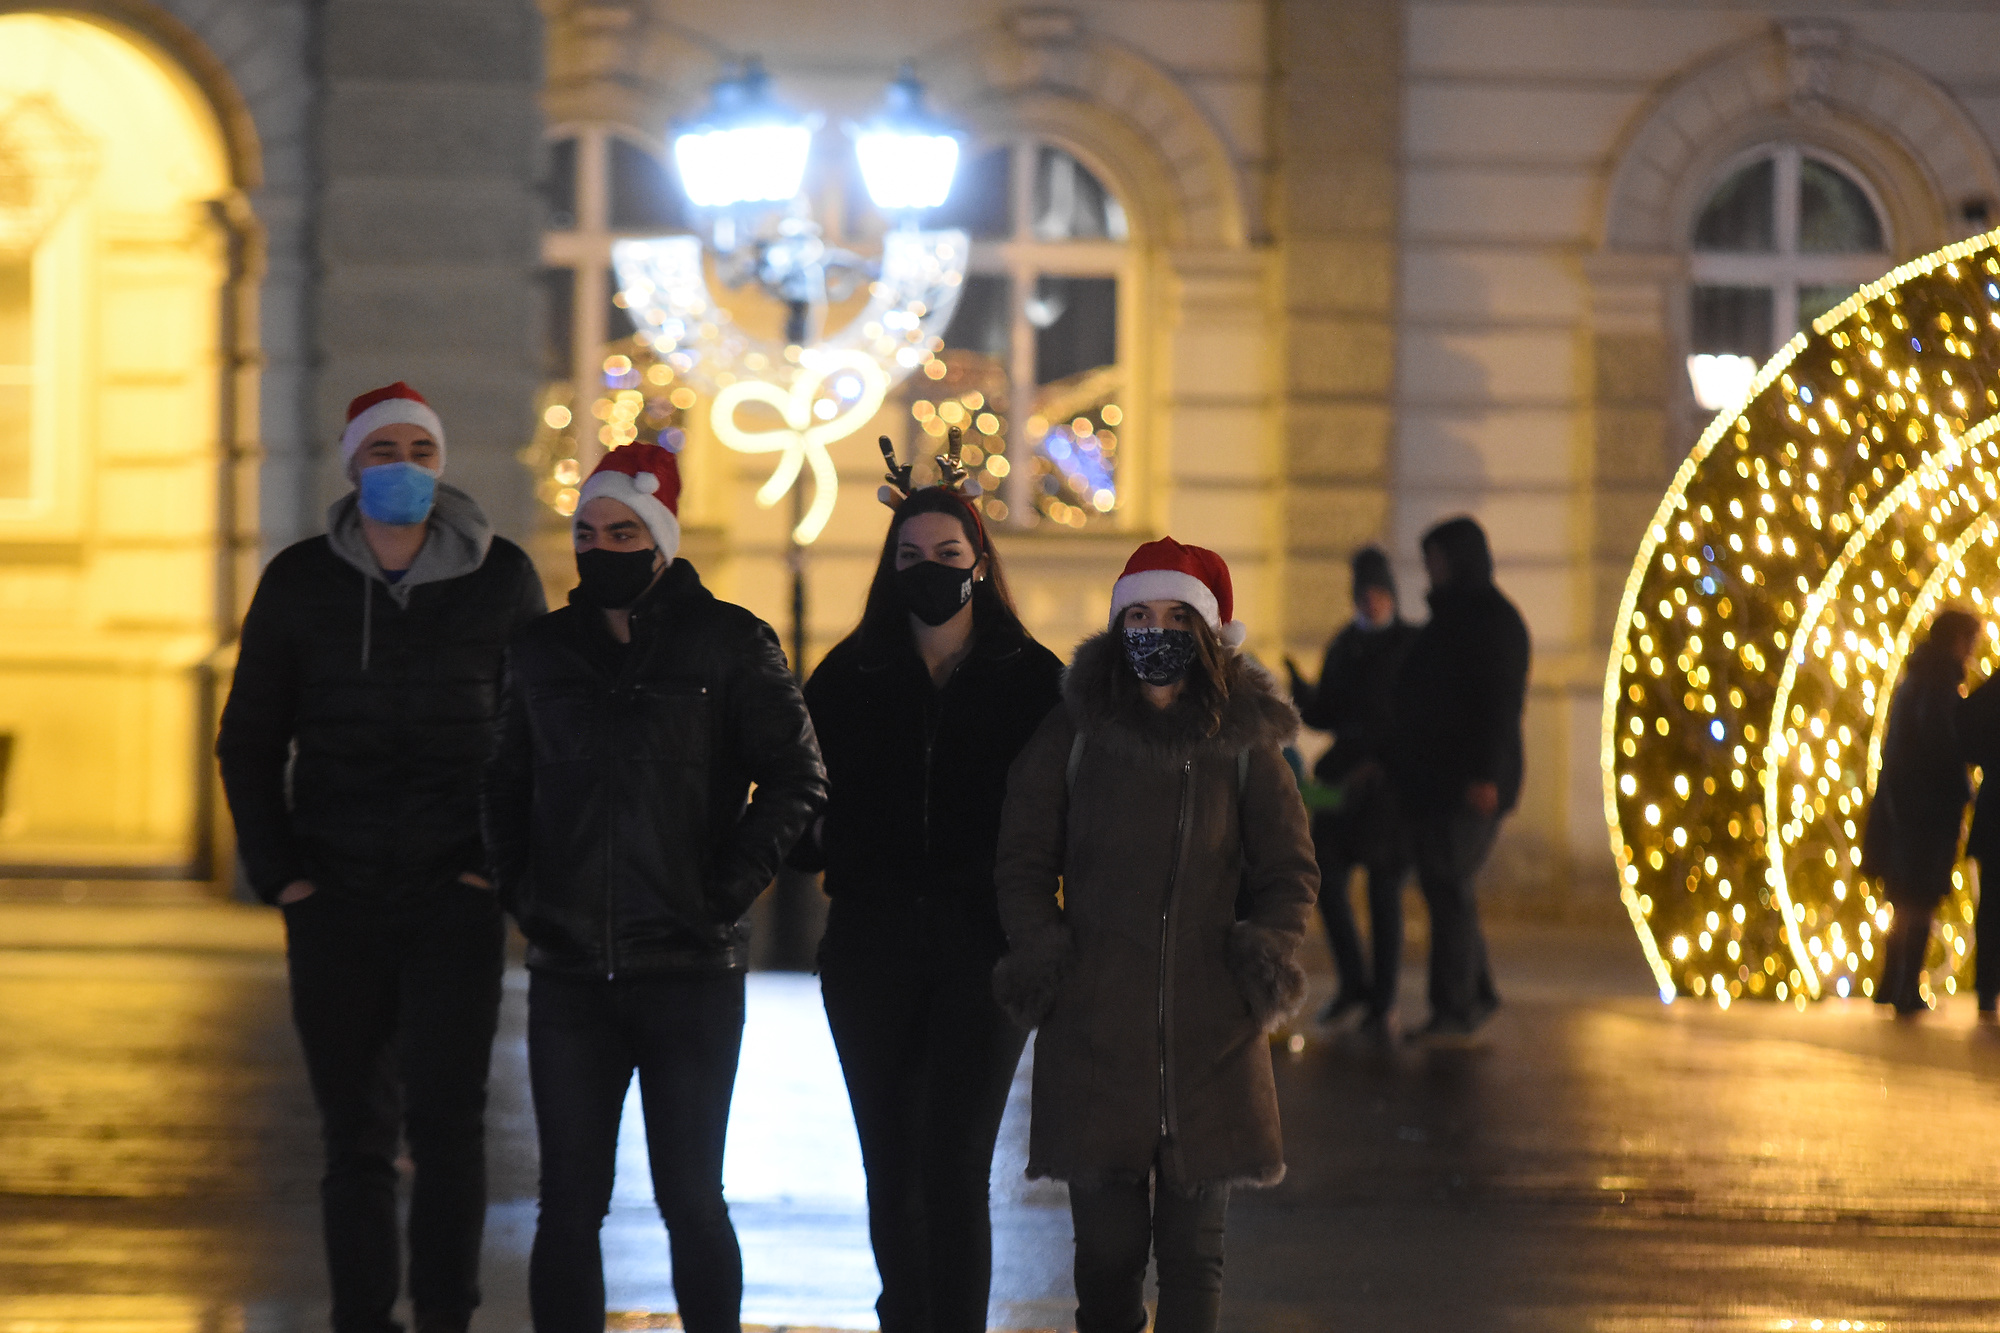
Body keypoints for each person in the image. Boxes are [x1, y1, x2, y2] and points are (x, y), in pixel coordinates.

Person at [216, 382, 547, 1333]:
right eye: (383, 451)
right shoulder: (301, 580)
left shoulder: (499, 576)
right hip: (337, 896)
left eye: (422, 450)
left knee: (448, 1125)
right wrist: (285, 876)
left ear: (442, 465)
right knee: (353, 1131)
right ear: (352, 463)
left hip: (455, 894)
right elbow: (249, 737)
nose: (403, 467)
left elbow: (534, 735)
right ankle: (363, 1315)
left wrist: (493, 866)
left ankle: (445, 1311)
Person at [481, 442, 825, 1333]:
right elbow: (501, 780)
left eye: (623, 531)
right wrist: (525, 892)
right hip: (569, 970)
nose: (602, 549)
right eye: (587, 533)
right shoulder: (543, 650)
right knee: (569, 1203)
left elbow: (797, 777)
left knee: (690, 1196)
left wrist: (727, 889)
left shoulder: (731, 641)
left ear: (662, 540)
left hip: (689, 969)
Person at [992, 537, 1318, 1333]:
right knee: (1106, 1260)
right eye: (1138, 614)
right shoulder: (1074, 732)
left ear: (1207, 631)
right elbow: (1024, 854)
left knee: (1193, 1258)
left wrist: (1260, 957)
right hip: (1097, 1034)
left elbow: (1290, 868)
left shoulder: (1243, 743)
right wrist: (1049, 951)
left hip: (1211, 1039)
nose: (1155, 630)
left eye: (1175, 615)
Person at [796, 482, 1062, 1333]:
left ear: (980, 564)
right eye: (910, 557)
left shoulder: (1036, 680)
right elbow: (805, 801)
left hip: (984, 948)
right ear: (888, 567)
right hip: (871, 946)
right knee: (890, 1166)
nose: (930, 572)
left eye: (948, 556)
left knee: (951, 1165)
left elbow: (1068, 811)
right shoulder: (846, 675)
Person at [1391, 515, 1530, 1041]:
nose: (1430, 570)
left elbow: (1500, 704)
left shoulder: (1491, 621)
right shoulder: (1452, 618)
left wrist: (1487, 775)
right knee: (1445, 879)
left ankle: (1457, 1005)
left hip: (1471, 781)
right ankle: (1474, 994)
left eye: (1437, 560)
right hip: (1442, 778)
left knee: (1447, 877)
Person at [1287, 546, 1416, 1031]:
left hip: (1388, 787)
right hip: (1344, 783)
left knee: (1385, 894)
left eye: (1381, 594)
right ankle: (1353, 985)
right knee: (1329, 884)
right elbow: (1330, 712)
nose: (1373, 603)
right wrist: (1306, 694)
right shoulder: (1345, 644)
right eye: (1366, 595)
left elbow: (1415, 718)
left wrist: (1382, 763)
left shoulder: (1409, 645)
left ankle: (1382, 1001)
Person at [1864, 609, 1978, 1016]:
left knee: (1902, 896)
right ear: (1956, 641)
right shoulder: (1939, 685)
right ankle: (1905, 987)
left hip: (1904, 805)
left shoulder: (1915, 680)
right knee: (1919, 897)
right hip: (1926, 810)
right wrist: (1962, 789)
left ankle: (1890, 981)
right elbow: (1942, 747)